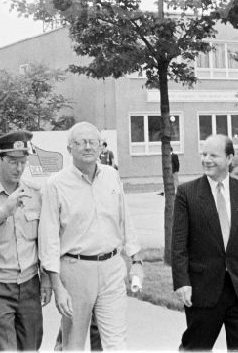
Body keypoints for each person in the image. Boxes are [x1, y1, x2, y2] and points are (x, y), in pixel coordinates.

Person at [40, 121, 143, 350]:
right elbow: (49, 240)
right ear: (69, 149)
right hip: (75, 270)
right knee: (73, 343)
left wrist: (136, 260)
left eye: (92, 142)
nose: (87, 147)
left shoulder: (111, 176)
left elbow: (125, 219)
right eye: (80, 142)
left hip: (112, 268)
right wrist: (57, 286)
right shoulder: (55, 185)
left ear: (100, 147)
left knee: (116, 341)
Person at [171, 134, 238, 351]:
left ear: (229, 158)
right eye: (204, 154)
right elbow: (179, 243)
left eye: (213, 155)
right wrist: (182, 282)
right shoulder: (186, 193)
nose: (207, 159)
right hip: (203, 291)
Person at [0, 131, 49, 351]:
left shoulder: (34, 193)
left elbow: (42, 240)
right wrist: (3, 211)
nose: (18, 168)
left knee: (31, 346)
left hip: (29, 285)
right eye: (12, 161)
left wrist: (45, 278)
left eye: (23, 161)